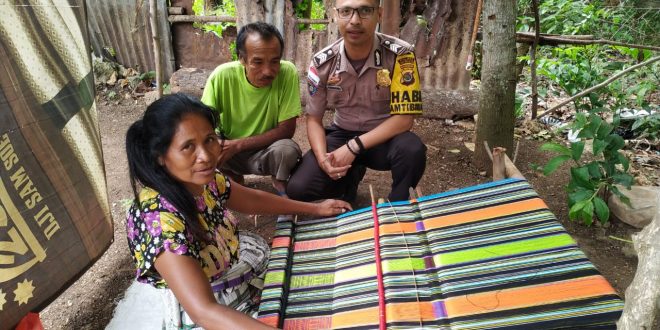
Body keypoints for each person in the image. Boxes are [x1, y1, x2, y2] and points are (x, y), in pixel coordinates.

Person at [125, 93, 351, 329]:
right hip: (206, 305)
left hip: (230, 272)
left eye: (210, 139)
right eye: (188, 146)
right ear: (160, 157)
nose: (205, 156)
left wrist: (315, 208)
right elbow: (205, 311)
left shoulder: (204, 180)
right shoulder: (158, 223)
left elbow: (250, 199)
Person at [286, 0, 426, 203]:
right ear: (336, 15)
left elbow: (404, 120)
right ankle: (348, 180)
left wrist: (354, 147)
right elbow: (314, 119)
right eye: (346, 11)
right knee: (298, 188)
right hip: (342, 133)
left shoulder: (401, 55)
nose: (355, 21)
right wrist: (323, 159)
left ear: (379, 14)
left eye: (365, 11)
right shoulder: (322, 62)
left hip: (384, 139)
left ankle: (399, 203)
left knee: (412, 149)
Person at [201, 22, 301, 197]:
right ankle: (231, 178)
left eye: (274, 61)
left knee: (288, 150)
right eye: (257, 62)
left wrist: (239, 145)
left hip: (265, 148)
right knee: (207, 148)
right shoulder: (222, 76)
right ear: (241, 58)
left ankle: (280, 183)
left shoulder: (288, 73)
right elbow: (203, 124)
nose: (268, 71)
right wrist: (218, 145)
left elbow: (287, 129)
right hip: (228, 148)